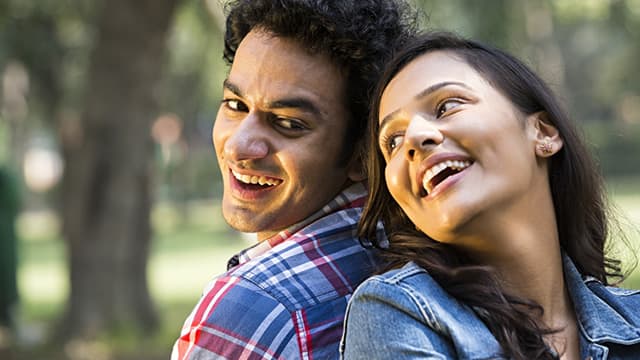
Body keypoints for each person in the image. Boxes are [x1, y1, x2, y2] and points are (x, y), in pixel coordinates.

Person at [341, 32, 640, 359]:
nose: (414, 137)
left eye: (446, 106)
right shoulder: (394, 311)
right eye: (393, 142)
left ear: (543, 132)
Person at [172, 1, 417, 359]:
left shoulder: (253, 309)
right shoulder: (420, 257)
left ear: (363, 154)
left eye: (288, 123)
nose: (240, 146)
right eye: (235, 105)